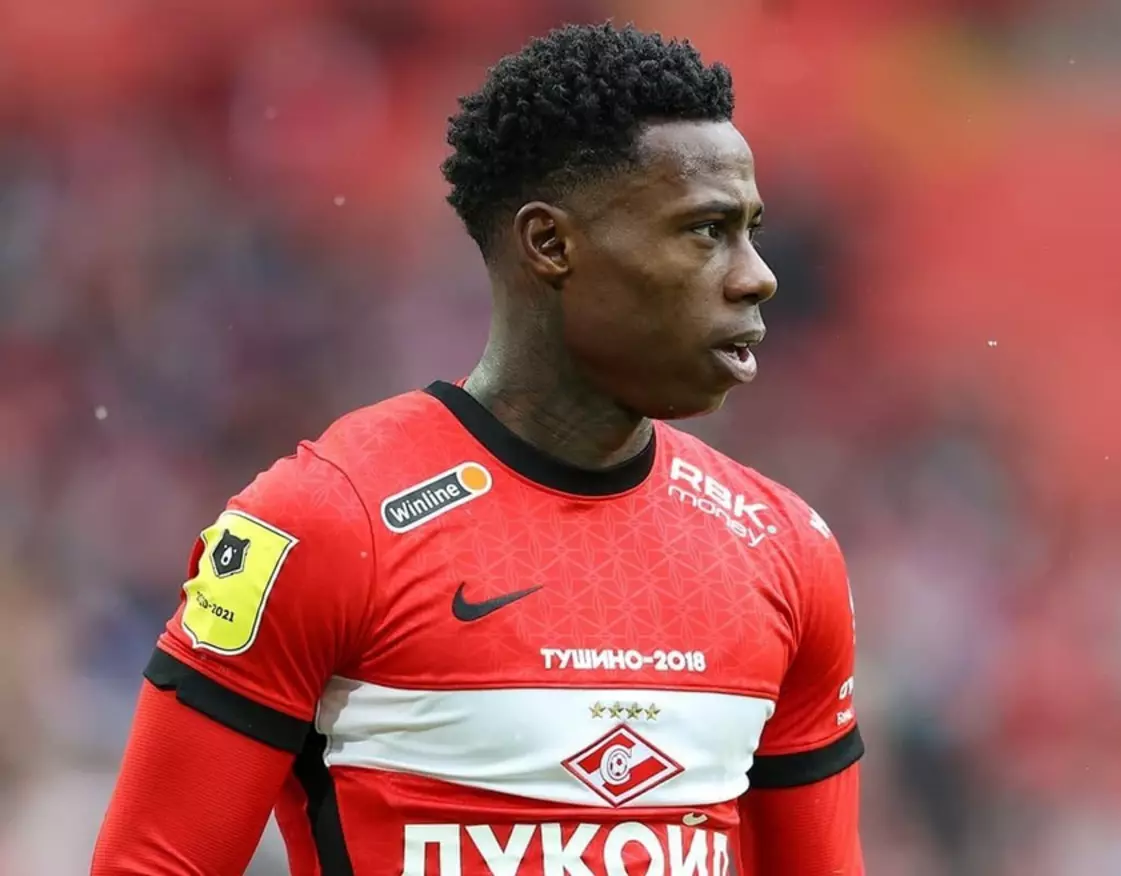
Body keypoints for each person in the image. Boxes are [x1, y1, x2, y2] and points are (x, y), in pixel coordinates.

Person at [91, 22, 864, 876]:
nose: (757, 275)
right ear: (551, 245)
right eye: (706, 231)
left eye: (751, 230)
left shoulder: (784, 551)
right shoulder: (327, 523)